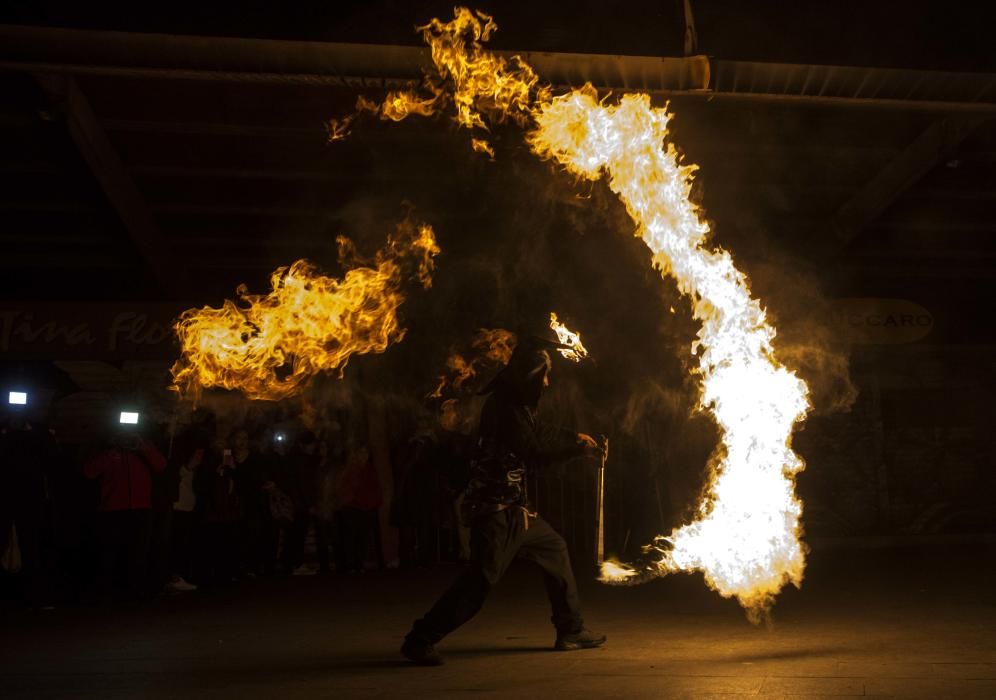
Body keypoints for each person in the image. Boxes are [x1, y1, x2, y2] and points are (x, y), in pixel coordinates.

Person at [402, 332, 607, 665]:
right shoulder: (506, 409)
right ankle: (420, 639)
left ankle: (571, 630)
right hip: (496, 511)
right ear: (530, 377)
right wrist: (576, 451)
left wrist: (574, 438)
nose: (547, 383)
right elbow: (533, 452)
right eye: (544, 376)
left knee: (554, 549)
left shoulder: (515, 405)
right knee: (480, 580)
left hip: (515, 510)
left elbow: (538, 432)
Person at [84, 417, 166, 601]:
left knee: (138, 551)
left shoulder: (143, 446)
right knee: (110, 551)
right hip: (112, 509)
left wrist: (142, 446)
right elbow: (89, 472)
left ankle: (135, 591)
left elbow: (161, 465)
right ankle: (107, 591)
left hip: (141, 508)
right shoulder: (109, 451)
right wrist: (109, 450)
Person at [0, 401, 59, 608]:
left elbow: (51, 460)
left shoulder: (39, 434)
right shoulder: (4, 431)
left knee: (31, 546)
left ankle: (31, 595)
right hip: (5, 498)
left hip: (30, 499)